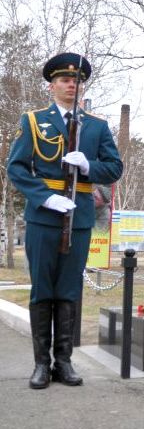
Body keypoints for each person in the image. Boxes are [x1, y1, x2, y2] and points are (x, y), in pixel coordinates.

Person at [7, 53, 123, 390]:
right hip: (44, 216)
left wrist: (88, 165)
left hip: (81, 215)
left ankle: (65, 362)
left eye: (76, 80)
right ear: (51, 85)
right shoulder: (33, 121)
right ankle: (41, 365)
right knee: (43, 288)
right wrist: (44, 196)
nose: (71, 85)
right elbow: (16, 167)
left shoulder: (96, 126)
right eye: (64, 80)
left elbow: (114, 168)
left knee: (69, 289)